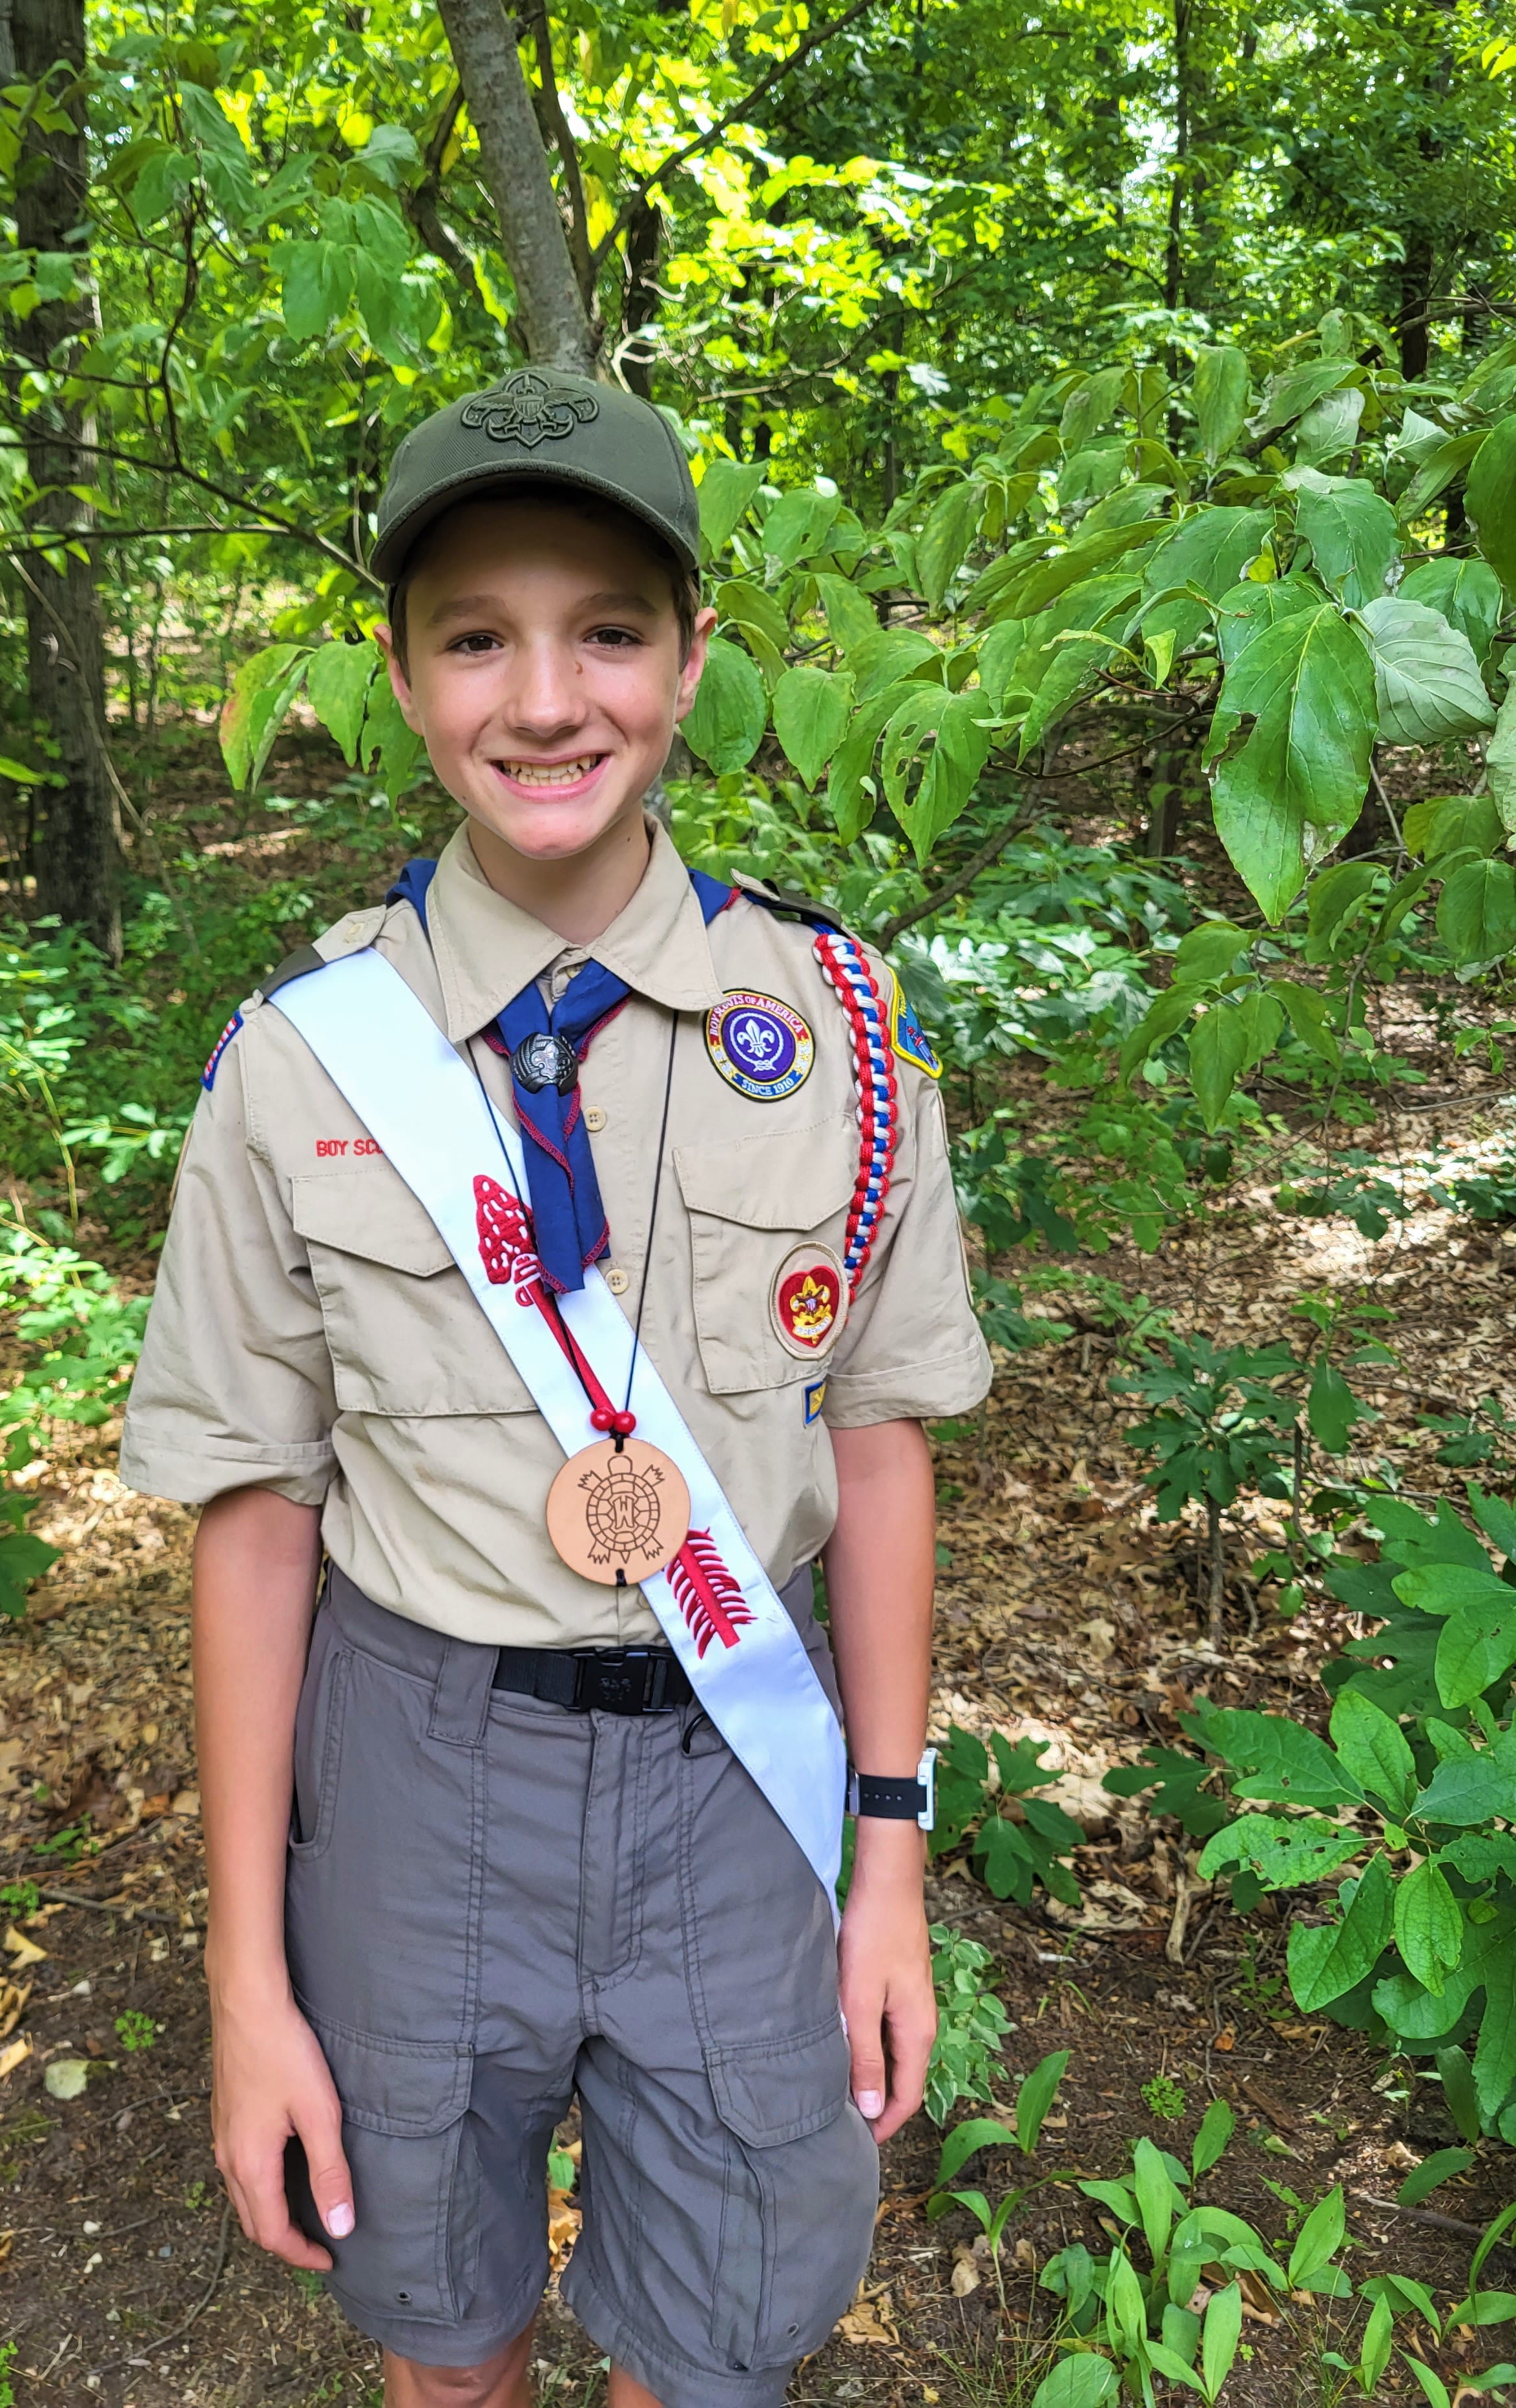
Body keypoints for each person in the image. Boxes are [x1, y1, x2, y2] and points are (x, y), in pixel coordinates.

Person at [119, 365, 993, 2408]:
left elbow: (876, 1447)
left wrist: (890, 1865)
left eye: (606, 627)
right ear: (407, 683)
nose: (545, 697)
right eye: (475, 636)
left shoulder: (842, 1034)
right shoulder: (303, 1064)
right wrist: (248, 1982)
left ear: (693, 662)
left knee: (721, 2348)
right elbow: (252, 1523)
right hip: (420, 1778)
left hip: (738, 1783)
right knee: (445, 2326)